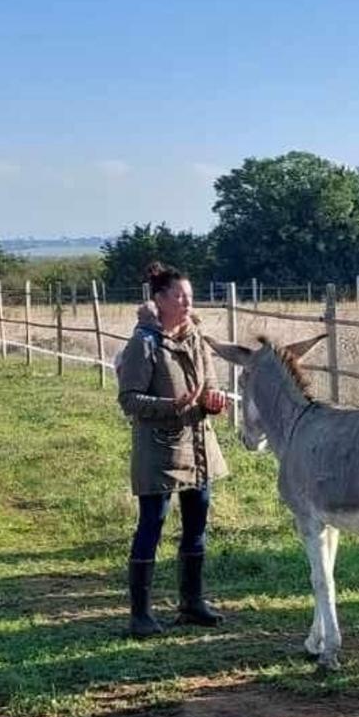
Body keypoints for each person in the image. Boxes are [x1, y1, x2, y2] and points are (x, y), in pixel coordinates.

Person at [117, 262, 229, 638]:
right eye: (179, 296)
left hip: (198, 445)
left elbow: (210, 383)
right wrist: (172, 406)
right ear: (160, 299)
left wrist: (214, 400)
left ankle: (192, 603)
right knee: (152, 523)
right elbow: (129, 400)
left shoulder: (196, 337)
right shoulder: (144, 343)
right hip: (159, 449)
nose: (186, 302)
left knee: (197, 523)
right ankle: (140, 614)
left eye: (190, 296)